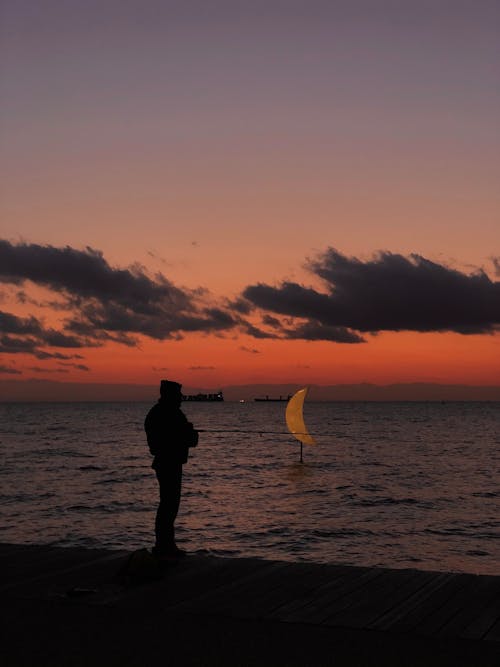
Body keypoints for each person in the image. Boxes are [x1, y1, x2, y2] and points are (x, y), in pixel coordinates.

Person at [144, 380, 199, 559]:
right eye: (178, 395)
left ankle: (166, 545)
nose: (181, 398)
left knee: (168, 505)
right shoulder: (171, 414)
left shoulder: (157, 413)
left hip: (166, 462)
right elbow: (190, 439)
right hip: (169, 463)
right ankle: (164, 547)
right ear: (170, 395)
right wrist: (190, 431)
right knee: (169, 505)